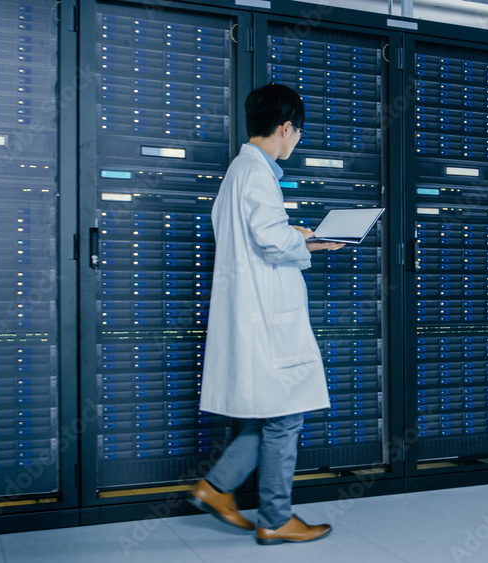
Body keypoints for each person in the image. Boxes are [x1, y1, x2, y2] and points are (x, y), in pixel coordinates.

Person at [188, 83, 343, 546]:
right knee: (286, 416)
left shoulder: (241, 172)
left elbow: (256, 234)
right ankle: (274, 517)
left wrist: (293, 231)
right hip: (265, 318)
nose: (298, 139)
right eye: (299, 131)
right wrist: (312, 240)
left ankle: (215, 488)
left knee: (269, 415)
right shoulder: (257, 174)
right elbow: (272, 242)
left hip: (253, 313)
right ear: (285, 127)